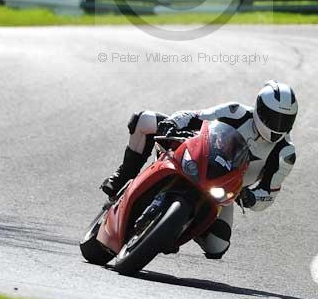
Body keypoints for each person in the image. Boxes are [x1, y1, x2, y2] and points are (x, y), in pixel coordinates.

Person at [101, 80, 298, 259]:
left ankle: (182, 226)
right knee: (143, 120)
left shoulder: (285, 154)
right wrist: (172, 123)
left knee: (217, 246)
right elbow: (195, 115)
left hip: (224, 190)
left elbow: (269, 194)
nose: (278, 126)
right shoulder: (235, 112)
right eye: (273, 118)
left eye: (285, 120)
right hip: (196, 158)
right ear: (259, 109)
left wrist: (252, 197)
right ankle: (124, 175)